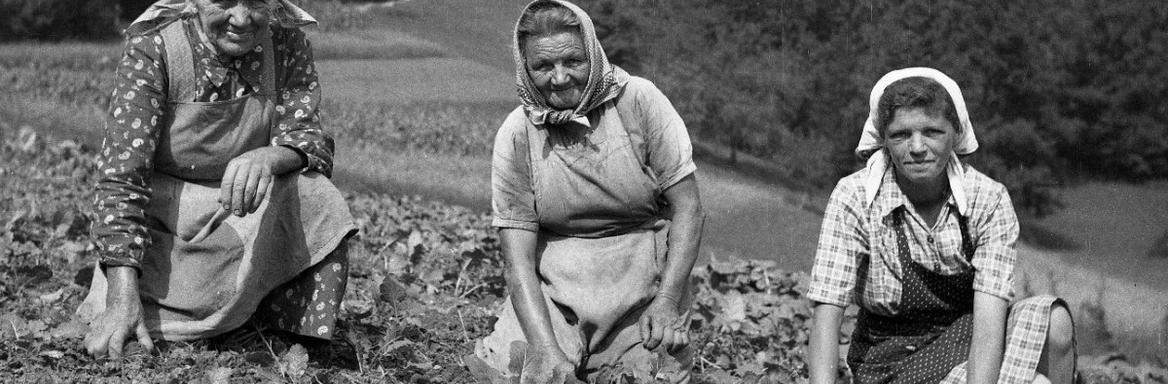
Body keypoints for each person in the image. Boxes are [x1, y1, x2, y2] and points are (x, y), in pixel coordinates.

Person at [76, 0, 356, 358]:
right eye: (223, 2)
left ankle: (289, 334)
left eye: (256, 3)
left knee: (317, 195)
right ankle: (147, 308)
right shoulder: (155, 47)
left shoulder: (285, 42)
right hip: (168, 224)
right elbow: (122, 178)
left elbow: (309, 138)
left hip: (243, 212)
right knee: (136, 316)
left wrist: (270, 156)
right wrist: (120, 296)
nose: (241, 18)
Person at [464, 1, 703, 382]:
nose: (559, 78)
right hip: (556, 294)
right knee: (514, 372)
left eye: (572, 61)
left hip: (643, 287)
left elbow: (689, 209)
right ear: (525, 68)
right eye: (543, 66)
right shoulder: (517, 133)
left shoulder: (638, 102)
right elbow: (517, 260)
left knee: (652, 375)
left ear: (592, 53)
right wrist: (545, 350)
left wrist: (668, 301)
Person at [805, 68, 1076, 384]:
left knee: (1054, 322)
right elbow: (826, 318)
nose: (917, 147)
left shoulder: (987, 199)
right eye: (901, 135)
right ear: (884, 140)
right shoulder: (855, 197)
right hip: (888, 361)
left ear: (956, 132)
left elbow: (989, 325)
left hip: (968, 342)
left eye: (932, 132)